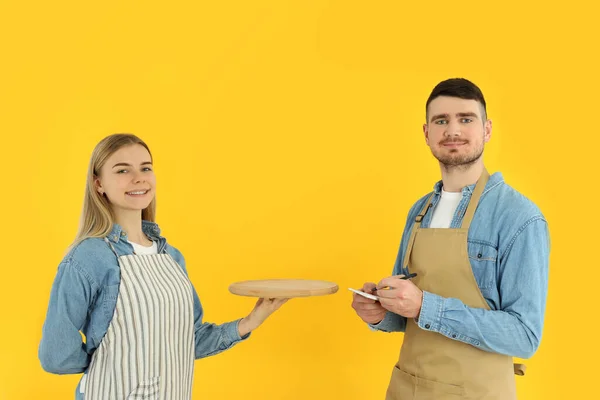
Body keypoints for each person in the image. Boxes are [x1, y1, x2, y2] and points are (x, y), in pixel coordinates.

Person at [39, 133, 288, 400]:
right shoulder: (89, 257)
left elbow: (188, 340)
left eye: (145, 168)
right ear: (98, 183)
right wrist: (106, 364)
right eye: (123, 170)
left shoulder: (171, 257)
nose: (138, 178)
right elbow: (56, 354)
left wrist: (251, 321)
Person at [351, 78, 550, 400]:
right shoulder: (420, 210)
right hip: (407, 388)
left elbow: (524, 336)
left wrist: (424, 306)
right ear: (427, 133)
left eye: (465, 119)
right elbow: (408, 314)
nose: (452, 130)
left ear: (486, 130)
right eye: (441, 120)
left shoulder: (518, 216)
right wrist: (380, 313)